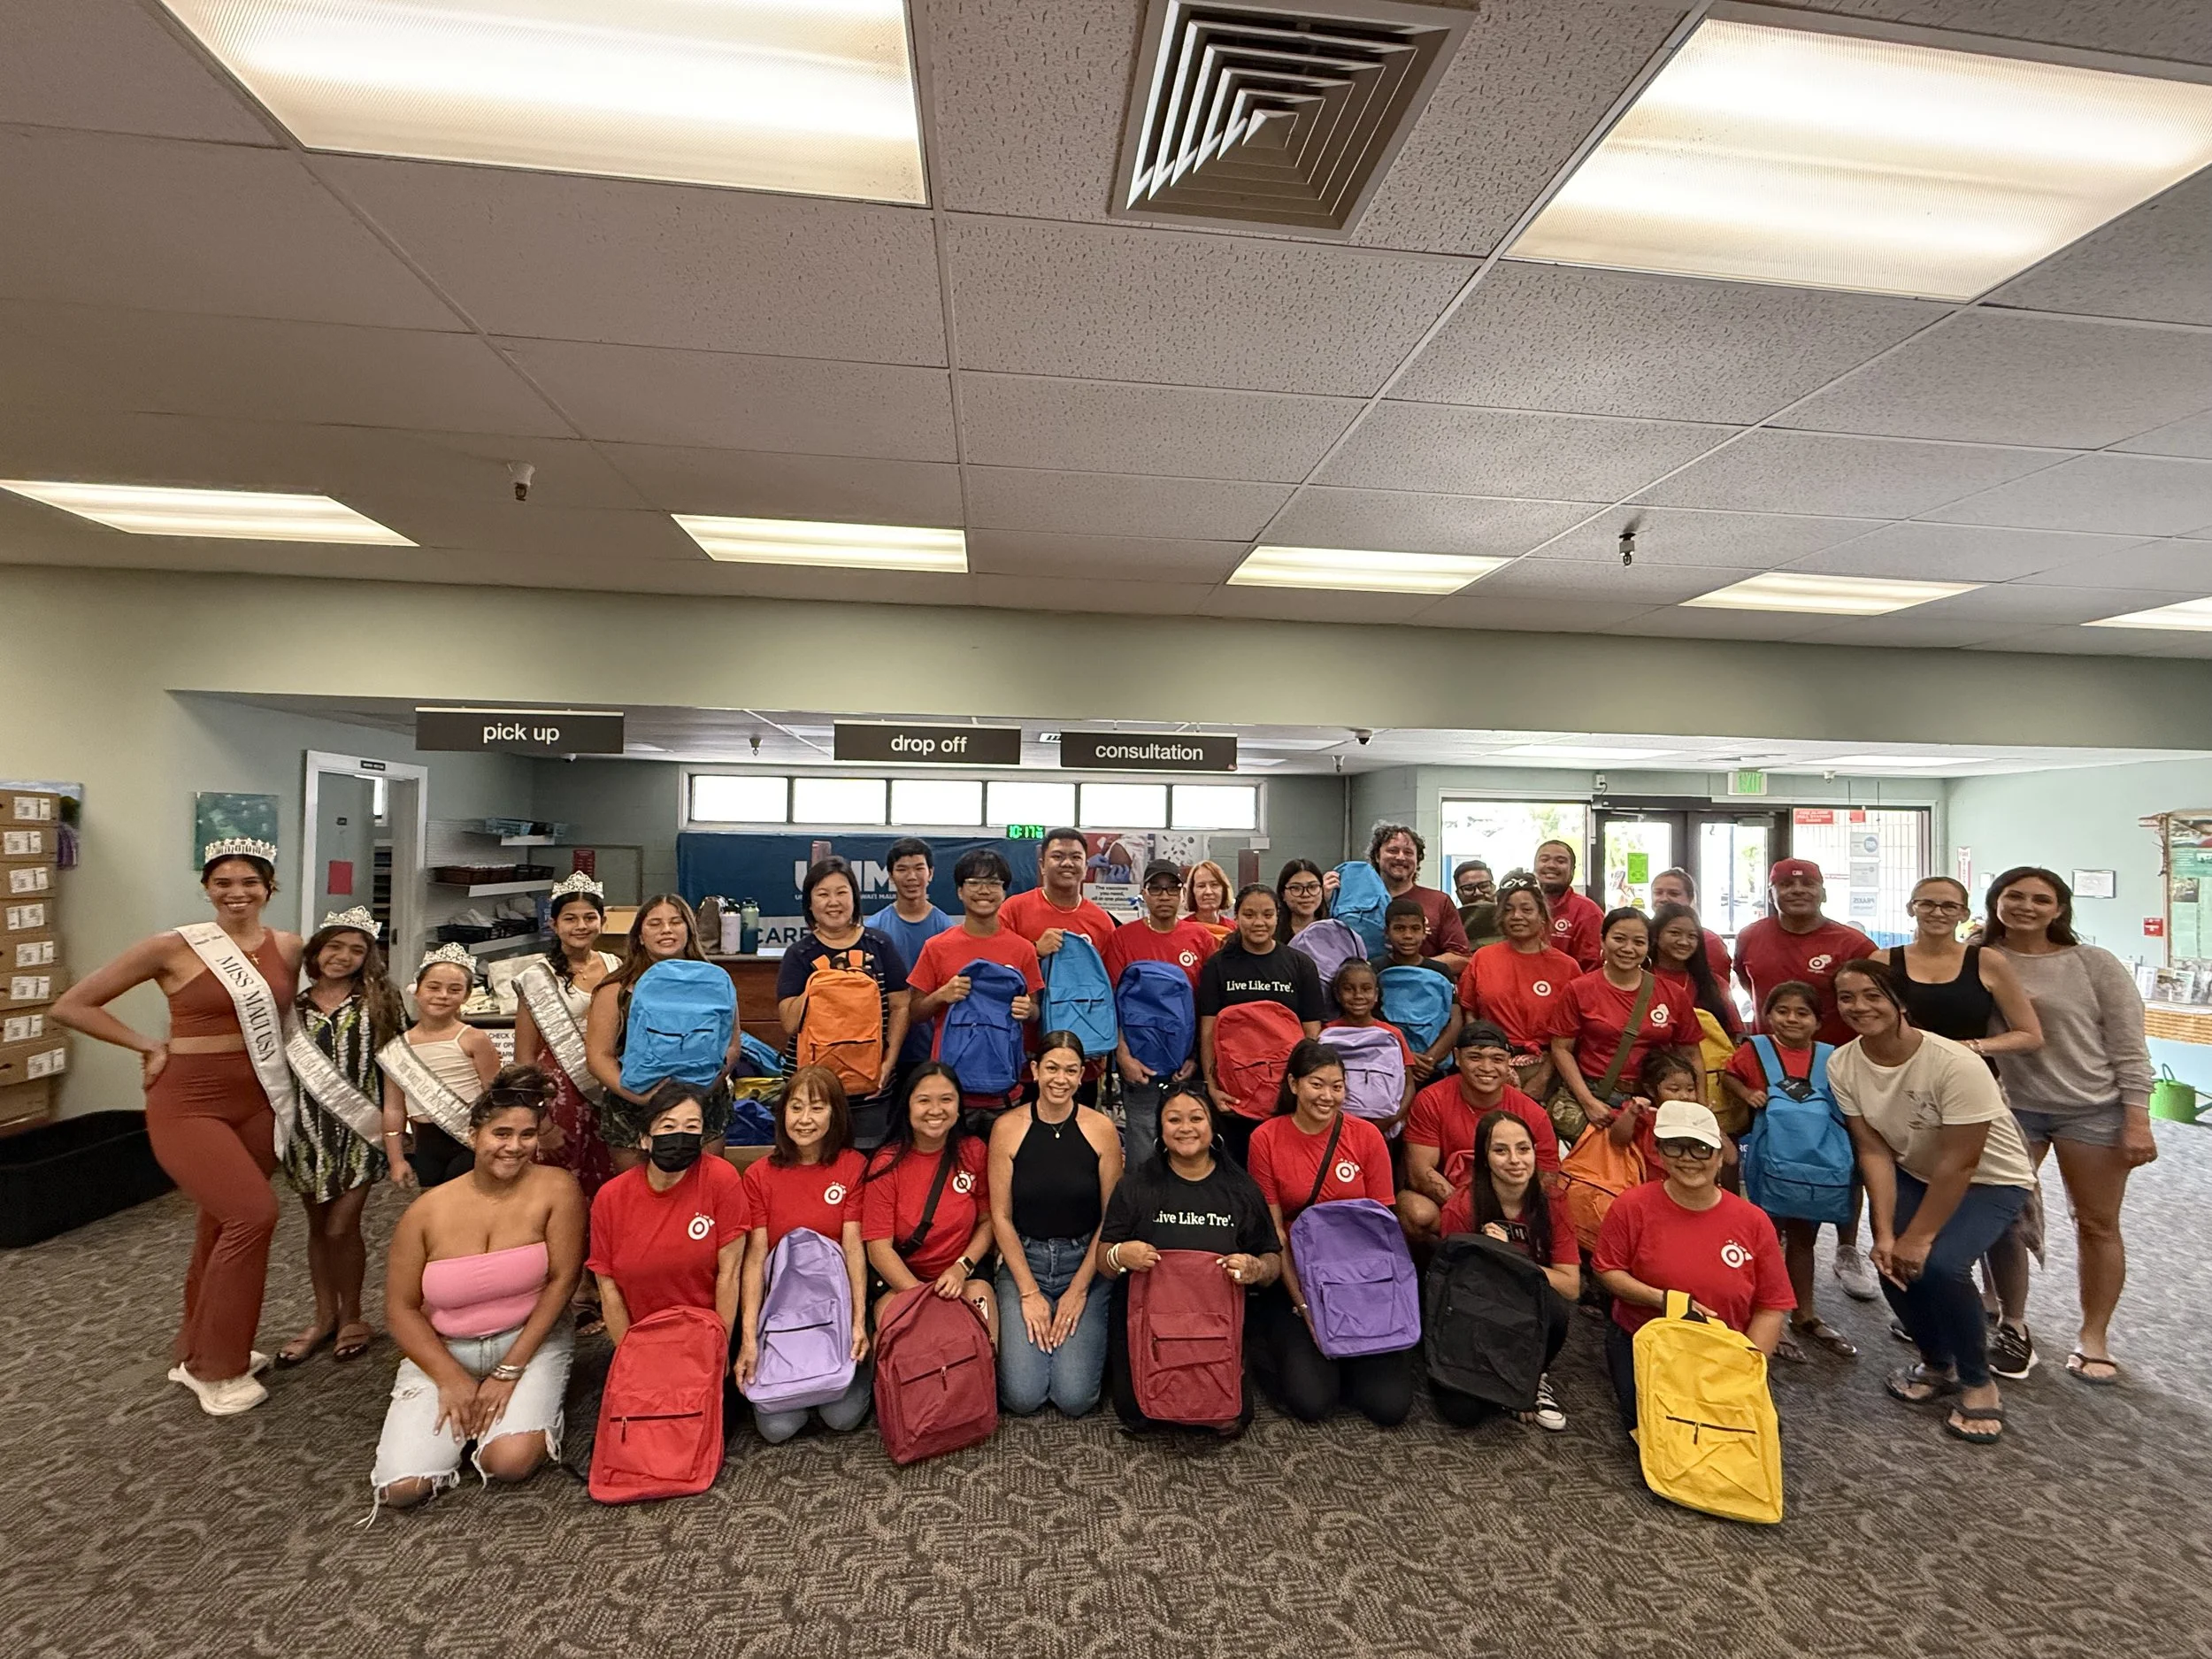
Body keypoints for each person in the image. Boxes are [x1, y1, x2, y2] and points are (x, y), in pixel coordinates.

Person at [53, 838, 303, 1416]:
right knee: (253, 1214)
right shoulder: (172, 947)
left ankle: (201, 1348)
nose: (237, 893)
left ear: (269, 888)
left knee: (220, 1224)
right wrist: (145, 1044)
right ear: (207, 889)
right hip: (189, 1104)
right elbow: (71, 1005)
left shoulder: (288, 946)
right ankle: (218, 1369)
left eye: (249, 882)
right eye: (223, 883)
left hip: (260, 1099)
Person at [1830, 961, 2037, 1444]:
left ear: (1901, 1003)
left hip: (1991, 1178)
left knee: (1940, 1265)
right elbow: (1873, 1150)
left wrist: (1919, 1237)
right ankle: (1936, 1363)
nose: (1859, 1006)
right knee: (1891, 1263)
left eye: (1873, 995)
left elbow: (1961, 1163)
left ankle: (1978, 1381)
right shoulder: (1842, 1063)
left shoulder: (1953, 1062)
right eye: (1846, 997)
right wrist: (1885, 1233)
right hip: (1916, 1171)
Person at [371, 1066, 585, 1512]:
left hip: (528, 1340)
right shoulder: (425, 1212)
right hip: (446, 1347)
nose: (514, 1146)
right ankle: (467, 1417)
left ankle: (513, 1414)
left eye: (527, 1135)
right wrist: (450, 1379)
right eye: (501, 1133)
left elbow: (563, 1281)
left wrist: (509, 1371)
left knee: (508, 1462)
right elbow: (400, 1308)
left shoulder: (558, 1189)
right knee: (402, 1489)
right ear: (473, 1135)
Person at [1980, 867, 2157, 1387]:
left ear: (2059, 909)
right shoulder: (1978, 958)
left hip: (2092, 1107)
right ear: (1996, 902)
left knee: (2096, 1223)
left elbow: (2129, 1045)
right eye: (2014, 896)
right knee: (1999, 1214)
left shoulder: (2092, 963)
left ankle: (2093, 1336)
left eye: (2041, 899)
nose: (2026, 906)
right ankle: (2003, 1312)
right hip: (2011, 1107)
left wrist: (2138, 1118)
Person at [1874, 874, 2047, 1371]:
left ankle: (2013, 1324)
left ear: (1964, 913)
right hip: (1908, 1102)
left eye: (1949, 906)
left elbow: (2029, 1034)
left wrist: (1968, 1049)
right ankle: (1933, 1313)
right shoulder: (1885, 962)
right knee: (1917, 1208)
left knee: (2002, 1217)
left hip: (1975, 1098)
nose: (1937, 912)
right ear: (1911, 908)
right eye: (1927, 903)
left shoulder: (1986, 962)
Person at [1592, 1100, 1793, 1433]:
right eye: (1675, 1147)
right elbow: (1608, 1270)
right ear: (1659, 1153)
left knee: (1745, 1438)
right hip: (1648, 1344)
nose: (1687, 1158)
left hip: (1725, 1350)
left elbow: (1771, 1306)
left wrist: (1745, 1367)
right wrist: (1662, 1299)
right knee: (1657, 1434)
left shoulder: (1754, 1221)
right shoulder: (1631, 1206)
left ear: (1719, 1156)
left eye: (1700, 1148)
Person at [1733, 857, 1880, 1303]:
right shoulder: (1751, 936)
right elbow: (1746, 981)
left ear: (1823, 891)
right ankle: (1772, 1237)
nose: (1797, 891)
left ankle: (1848, 1247)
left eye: (1808, 884)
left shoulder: (1851, 942)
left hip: (1837, 1069)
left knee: (1845, 1156)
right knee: (1775, 1149)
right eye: (1786, 885)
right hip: (1771, 1066)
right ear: (1772, 892)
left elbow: (1874, 997)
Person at [1094, 1087, 1281, 1435]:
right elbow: (1103, 1261)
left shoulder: (1241, 1189)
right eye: (1174, 1119)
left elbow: (1273, 1262)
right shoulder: (1136, 1186)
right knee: (1138, 1413)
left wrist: (1256, 1268)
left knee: (1232, 1418)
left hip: (1217, 1329)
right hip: (1150, 1330)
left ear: (1213, 1127)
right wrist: (1121, 1254)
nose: (1185, 1128)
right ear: (1160, 1128)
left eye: (1196, 1118)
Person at [1247, 1041, 1412, 1426]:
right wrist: (1306, 1309)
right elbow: (1275, 1234)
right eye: (1317, 1084)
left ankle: (1348, 1361)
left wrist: (1373, 1300)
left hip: (1359, 1279)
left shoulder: (1366, 1136)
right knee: (1312, 1403)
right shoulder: (1266, 1138)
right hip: (1300, 1276)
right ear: (1293, 1084)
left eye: (1337, 1086)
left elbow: (1383, 1230)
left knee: (1389, 1407)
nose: (1328, 1096)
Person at [277, 907, 403, 1366]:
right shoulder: (290, 1007)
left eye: (356, 949)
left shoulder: (380, 1003)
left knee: (340, 1226)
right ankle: (324, 1316)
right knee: (317, 1228)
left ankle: (353, 1315)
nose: (343, 956)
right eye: (335, 946)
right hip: (305, 1134)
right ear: (316, 951)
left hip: (360, 1134)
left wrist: (397, 1133)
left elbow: (398, 1068)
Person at [1720, 981, 1856, 1363]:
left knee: (1804, 1240)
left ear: (1818, 1021)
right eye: (1782, 1011)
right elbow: (1729, 1076)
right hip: (1769, 1165)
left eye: (1802, 1013)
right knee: (1764, 1241)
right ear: (1767, 1015)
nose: (1791, 1019)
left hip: (1815, 1167)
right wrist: (1746, 1094)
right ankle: (1764, 1315)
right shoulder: (1755, 1050)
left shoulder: (1832, 1057)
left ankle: (1805, 1313)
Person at [734, 1066, 873, 1443]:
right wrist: (749, 1339)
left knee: (842, 1418)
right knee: (777, 1429)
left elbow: (853, 1248)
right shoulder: (759, 1175)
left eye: (817, 1107)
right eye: (795, 1108)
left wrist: (858, 1323)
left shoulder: (852, 1166)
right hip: (783, 1314)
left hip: (836, 1310)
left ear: (835, 1114)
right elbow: (755, 1260)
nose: (805, 1119)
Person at [987, 1033, 1123, 1417]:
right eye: (1051, 1068)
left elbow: (1110, 1218)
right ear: (1035, 1070)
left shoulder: (1102, 1129)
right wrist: (1029, 1292)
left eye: (1070, 1070)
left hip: (1084, 1263)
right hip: (1025, 1261)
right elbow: (1000, 1216)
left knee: (1074, 1398)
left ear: (1081, 1076)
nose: (1060, 1079)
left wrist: (1078, 1290)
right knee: (1022, 1397)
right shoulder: (1007, 1128)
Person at [1434, 1110, 1577, 1431]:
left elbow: (1570, 1286)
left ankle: (1533, 1376)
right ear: (1484, 1159)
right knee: (1463, 1413)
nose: (1515, 1160)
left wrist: (1508, 1256)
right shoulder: (1461, 1206)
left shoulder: (1553, 1201)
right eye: (1501, 1150)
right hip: (1475, 1312)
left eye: (1523, 1149)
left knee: (1556, 1309)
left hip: (1526, 1313)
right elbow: (1452, 1294)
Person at [585, 894, 743, 1170]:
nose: (666, 930)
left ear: (689, 930)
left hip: (703, 1102)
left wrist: (700, 1092)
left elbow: (731, 1045)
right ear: (640, 936)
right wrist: (643, 1098)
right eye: (655, 923)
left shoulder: (716, 983)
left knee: (704, 1186)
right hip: (633, 1106)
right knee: (636, 1192)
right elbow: (599, 1056)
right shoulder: (615, 989)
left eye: (676, 922)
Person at [587, 1079, 747, 1348]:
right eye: (668, 1126)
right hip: (639, 1339)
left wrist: (719, 1348)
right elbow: (608, 1287)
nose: (680, 1136)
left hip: (706, 1335)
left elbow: (729, 1274)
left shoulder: (720, 1178)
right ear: (645, 1139)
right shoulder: (611, 1197)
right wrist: (628, 1352)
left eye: (692, 1127)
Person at [776, 856, 910, 1148]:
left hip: (871, 1085)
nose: (833, 902)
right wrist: (823, 984)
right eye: (823, 894)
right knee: (812, 1160)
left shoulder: (880, 944)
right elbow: (789, 1023)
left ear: (854, 898)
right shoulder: (799, 954)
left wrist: (889, 1062)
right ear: (810, 903)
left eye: (841, 892)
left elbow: (901, 1006)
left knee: (868, 1161)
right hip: (812, 1090)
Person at [861, 1063, 996, 1340]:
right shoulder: (886, 1164)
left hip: (962, 1277)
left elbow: (988, 1222)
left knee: (977, 1346)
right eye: (924, 1101)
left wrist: (962, 1268)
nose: (936, 1110)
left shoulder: (974, 1152)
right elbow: (878, 1249)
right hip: (902, 1283)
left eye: (946, 1100)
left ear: (958, 1108)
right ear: (907, 1106)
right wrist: (921, 1298)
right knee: (913, 1350)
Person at [904, 849, 1044, 1118]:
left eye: (993, 883)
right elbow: (915, 1012)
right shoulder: (937, 947)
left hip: (1005, 1090)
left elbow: (1035, 1011)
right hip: (949, 1093)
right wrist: (942, 995)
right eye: (975, 883)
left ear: (1004, 892)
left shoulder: (1023, 949)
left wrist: (1028, 1010)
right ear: (960, 891)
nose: (984, 891)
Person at [1397, 1021, 1561, 1247]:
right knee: (1415, 1210)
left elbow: (1547, 1178)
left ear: (1508, 1062)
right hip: (1453, 1202)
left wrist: (1506, 1216)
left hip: (1513, 1210)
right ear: (1457, 1057)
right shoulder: (1432, 1099)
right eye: (1475, 1057)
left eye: (1497, 1059)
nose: (1486, 1067)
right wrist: (1471, 1213)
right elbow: (1420, 1173)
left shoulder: (1532, 1113)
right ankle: (1444, 1260)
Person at [513, 872, 623, 1207]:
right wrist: (541, 1122)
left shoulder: (616, 965)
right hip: (559, 1091)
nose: (581, 926)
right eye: (570, 919)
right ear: (554, 924)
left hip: (609, 1085)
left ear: (602, 922)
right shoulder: (535, 977)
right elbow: (524, 1058)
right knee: (561, 1182)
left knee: (610, 1178)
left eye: (589, 918)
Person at [1195, 883, 1326, 1164]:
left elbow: (1311, 1034)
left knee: (1284, 1170)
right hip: (1234, 1096)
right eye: (1249, 915)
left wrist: (1301, 1089)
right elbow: (1208, 1031)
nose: (1259, 923)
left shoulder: (1300, 965)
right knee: (1236, 1171)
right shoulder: (1218, 965)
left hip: (1285, 1095)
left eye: (1267, 915)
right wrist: (1212, 1087)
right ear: (1236, 917)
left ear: (1278, 916)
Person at [1104, 858, 1217, 1169]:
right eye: (1156, 889)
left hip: (1187, 1068)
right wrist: (1123, 1056)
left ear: (1182, 893)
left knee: (1189, 1152)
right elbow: (1113, 1004)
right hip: (1141, 1068)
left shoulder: (1201, 939)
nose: (1164, 896)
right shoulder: (1122, 938)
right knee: (1142, 1156)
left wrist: (1197, 1057)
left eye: (1171, 888)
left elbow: (1208, 1006)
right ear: (1144, 893)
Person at [1548, 908, 1700, 1136]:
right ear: (1602, 940)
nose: (1628, 949)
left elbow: (1691, 1054)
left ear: (1649, 946)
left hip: (1654, 1098)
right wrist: (1588, 1102)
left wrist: (1700, 1107)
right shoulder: (1578, 989)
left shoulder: (1673, 994)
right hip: (1598, 1095)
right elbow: (1561, 1048)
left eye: (1639, 942)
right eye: (1619, 939)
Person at [379, 948, 502, 1190]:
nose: (443, 996)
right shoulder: (396, 1049)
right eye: (433, 987)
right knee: (433, 1204)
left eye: (454, 990)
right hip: (426, 1144)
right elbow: (394, 1108)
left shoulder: (474, 1039)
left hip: (471, 1140)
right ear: (417, 990)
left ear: (466, 996)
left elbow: (496, 1096)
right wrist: (396, 1160)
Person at [1455, 873, 1580, 1102]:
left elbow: (1569, 1034)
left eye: (1526, 909)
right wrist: (1482, 1058)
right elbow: (1469, 1012)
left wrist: (1543, 1078)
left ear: (1542, 916)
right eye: (1509, 910)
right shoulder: (1483, 958)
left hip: (1548, 1069)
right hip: (1490, 1068)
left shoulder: (1566, 967)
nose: (1517, 916)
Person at [868, 837, 956, 1094]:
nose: (911, 877)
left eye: (919, 868)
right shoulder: (874, 930)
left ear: (931, 873)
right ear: (890, 876)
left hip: (932, 1049)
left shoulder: (947, 930)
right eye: (902, 869)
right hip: (883, 1049)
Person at [1353, 823, 1470, 974]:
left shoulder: (1439, 902)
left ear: (1417, 859)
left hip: (1424, 987)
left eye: (1408, 852)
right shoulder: (1355, 903)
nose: (1401, 857)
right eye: (1393, 851)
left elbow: (1461, 958)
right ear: (1377, 856)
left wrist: (1409, 967)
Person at [1321, 957, 1419, 1129]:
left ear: (1376, 994)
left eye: (1366, 989)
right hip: (1336, 1125)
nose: (1358, 996)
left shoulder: (1392, 1034)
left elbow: (1409, 1084)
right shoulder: (1326, 1032)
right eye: (1349, 989)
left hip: (1384, 1125)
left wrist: (1391, 1119)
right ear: (1337, 994)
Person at [1373, 896, 1463, 1082]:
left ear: (1424, 932)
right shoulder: (1373, 970)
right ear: (1386, 932)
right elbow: (1371, 1020)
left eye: (1415, 929)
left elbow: (1455, 1020)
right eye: (1399, 928)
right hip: (1390, 1065)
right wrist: (1406, 1057)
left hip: (1435, 1068)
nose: (1408, 935)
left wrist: (1430, 1059)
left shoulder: (1441, 971)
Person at [1000, 828, 1118, 962]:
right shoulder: (1014, 909)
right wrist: (1035, 950)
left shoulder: (1102, 921)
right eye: (1057, 856)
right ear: (1042, 866)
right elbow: (996, 959)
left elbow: (1108, 973)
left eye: (1076, 857)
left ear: (1085, 868)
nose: (1067, 863)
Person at [1650, 868, 1732, 985]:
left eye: (1673, 894)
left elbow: (1716, 988)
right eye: (1658, 893)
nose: (1664, 899)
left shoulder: (1710, 941)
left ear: (1690, 898)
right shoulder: (1641, 934)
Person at [1533, 840, 1602, 972]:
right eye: (1544, 859)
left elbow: (1592, 968)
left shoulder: (1588, 912)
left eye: (1561, 861)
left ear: (1572, 870)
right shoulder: (1517, 907)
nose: (1551, 865)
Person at [1276, 859, 1331, 943]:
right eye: (1296, 888)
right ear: (1283, 894)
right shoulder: (1271, 933)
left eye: (1312, 887)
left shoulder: (1334, 931)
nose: (1305, 894)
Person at [1182, 859, 1235, 943]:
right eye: (1201, 886)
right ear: (1192, 892)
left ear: (1224, 890)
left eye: (1214, 885)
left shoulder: (1235, 930)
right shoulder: (1182, 930)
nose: (1208, 892)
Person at [1454, 860, 1502, 950]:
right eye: (1468, 888)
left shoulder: (1510, 918)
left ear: (1493, 887)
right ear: (1458, 894)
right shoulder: (1450, 925)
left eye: (1484, 886)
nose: (1478, 893)